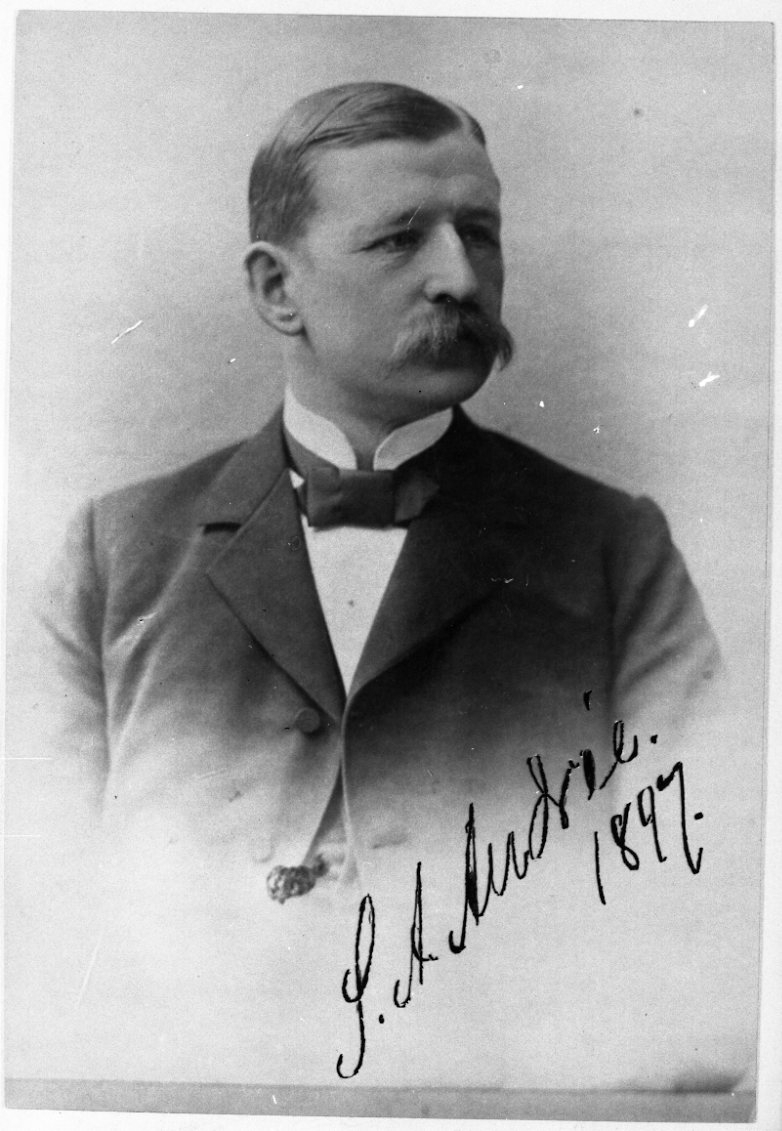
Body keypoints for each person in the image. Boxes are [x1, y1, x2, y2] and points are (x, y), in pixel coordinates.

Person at [18, 82, 752, 1096]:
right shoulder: (115, 553)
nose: (460, 276)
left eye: (479, 234)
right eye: (401, 239)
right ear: (278, 289)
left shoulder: (611, 550)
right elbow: (30, 928)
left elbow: (709, 928)